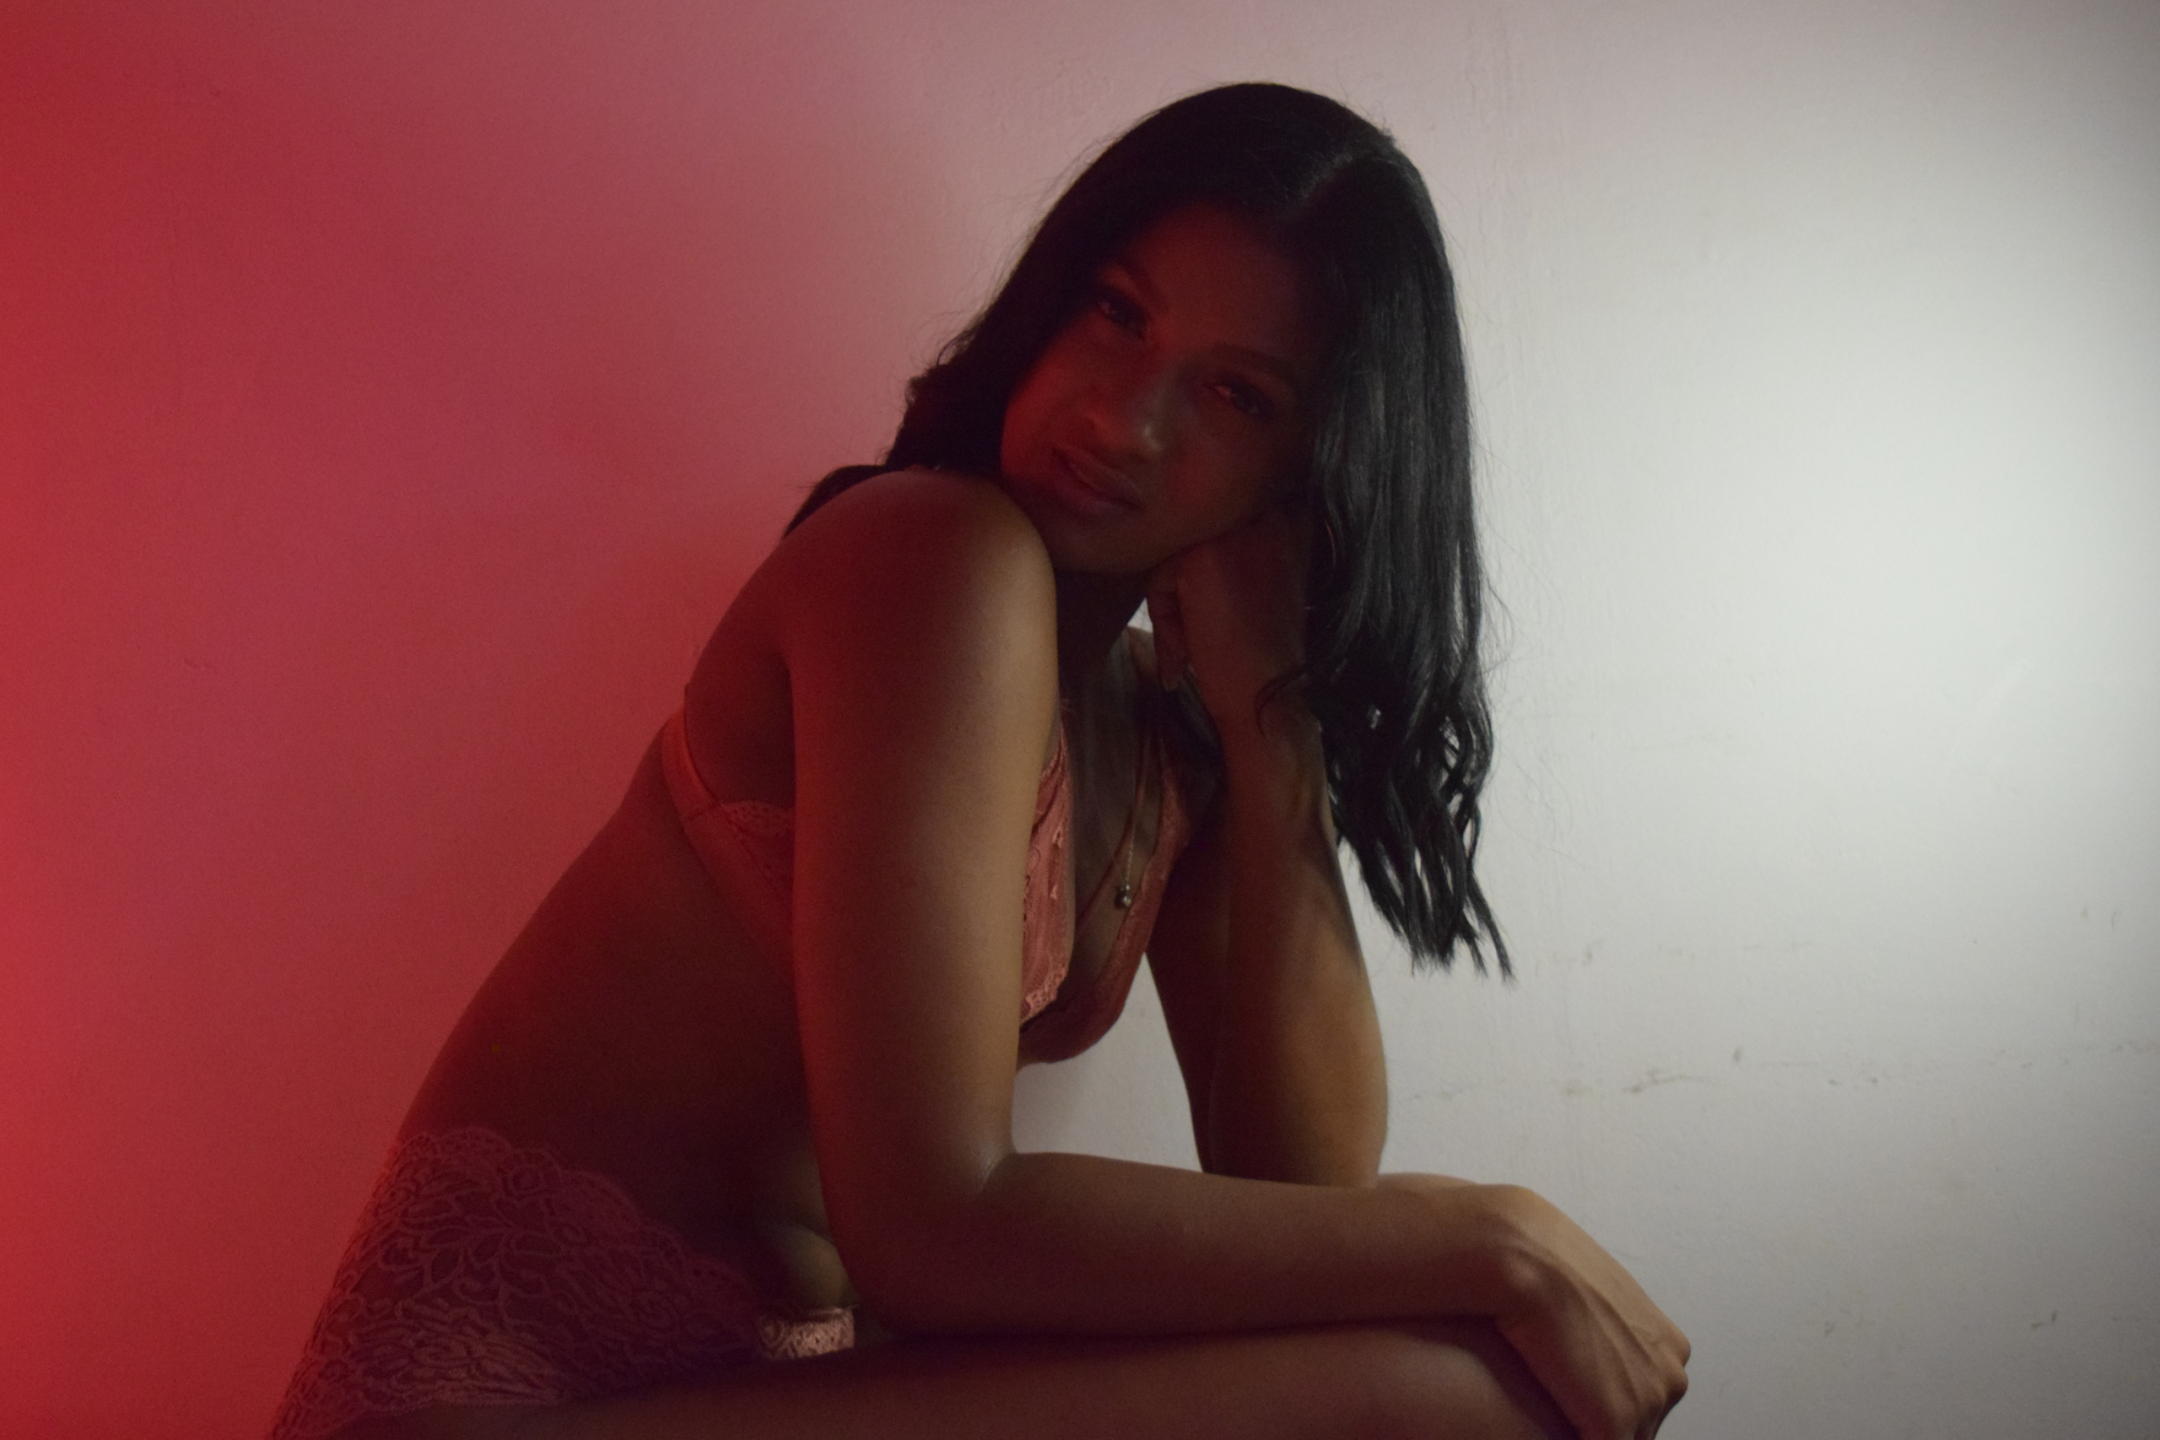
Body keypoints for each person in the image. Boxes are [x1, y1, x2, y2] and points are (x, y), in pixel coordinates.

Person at [266, 81, 1688, 1440]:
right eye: (1118, 312)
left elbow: (1301, 1191)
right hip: (494, 1407)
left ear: (1310, 475)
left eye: (1236, 396)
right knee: (1466, 1398)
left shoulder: (1162, 728)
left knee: (1456, 1367)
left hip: (761, 1386)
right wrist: (1494, 1235)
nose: (1123, 419)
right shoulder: (930, 559)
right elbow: (933, 1226)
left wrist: (1278, 733)